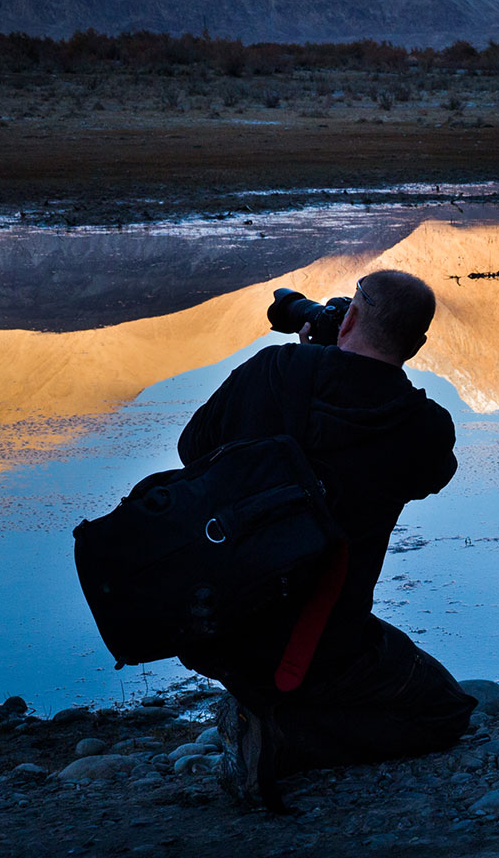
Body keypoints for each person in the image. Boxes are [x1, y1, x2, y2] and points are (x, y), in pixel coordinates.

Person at [176, 269, 475, 806]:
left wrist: (304, 362)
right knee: (444, 711)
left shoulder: (272, 370)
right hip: (323, 638)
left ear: (351, 318)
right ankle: (287, 738)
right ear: (419, 344)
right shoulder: (423, 428)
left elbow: (192, 450)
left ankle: (266, 714)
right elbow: (430, 475)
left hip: (215, 621)